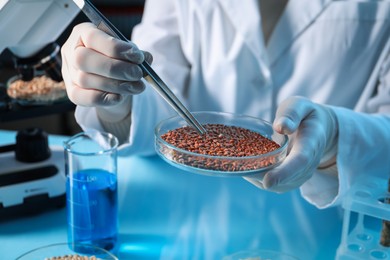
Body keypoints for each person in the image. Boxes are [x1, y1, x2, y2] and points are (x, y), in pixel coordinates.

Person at [61, 0, 390, 258]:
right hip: (196, 229)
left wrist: (337, 138)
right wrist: (119, 99)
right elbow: (161, 78)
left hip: (325, 227)